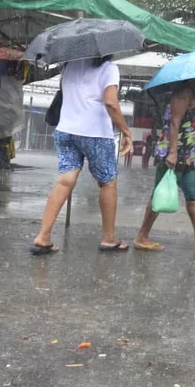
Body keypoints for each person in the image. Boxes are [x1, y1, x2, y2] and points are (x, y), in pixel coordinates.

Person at [30, 56, 133, 255]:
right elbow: (111, 102)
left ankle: (43, 237)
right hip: (95, 133)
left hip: (66, 130)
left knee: (64, 181)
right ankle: (109, 239)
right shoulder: (109, 68)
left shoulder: (69, 66)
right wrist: (126, 131)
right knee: (107, 183)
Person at [133, 80, 195, 252]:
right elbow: (175, 122)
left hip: (187, 155)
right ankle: (141, 236)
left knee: (193, 192)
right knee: (158, 194)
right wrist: (173, 152)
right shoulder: (183, 94)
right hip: (174, 153)